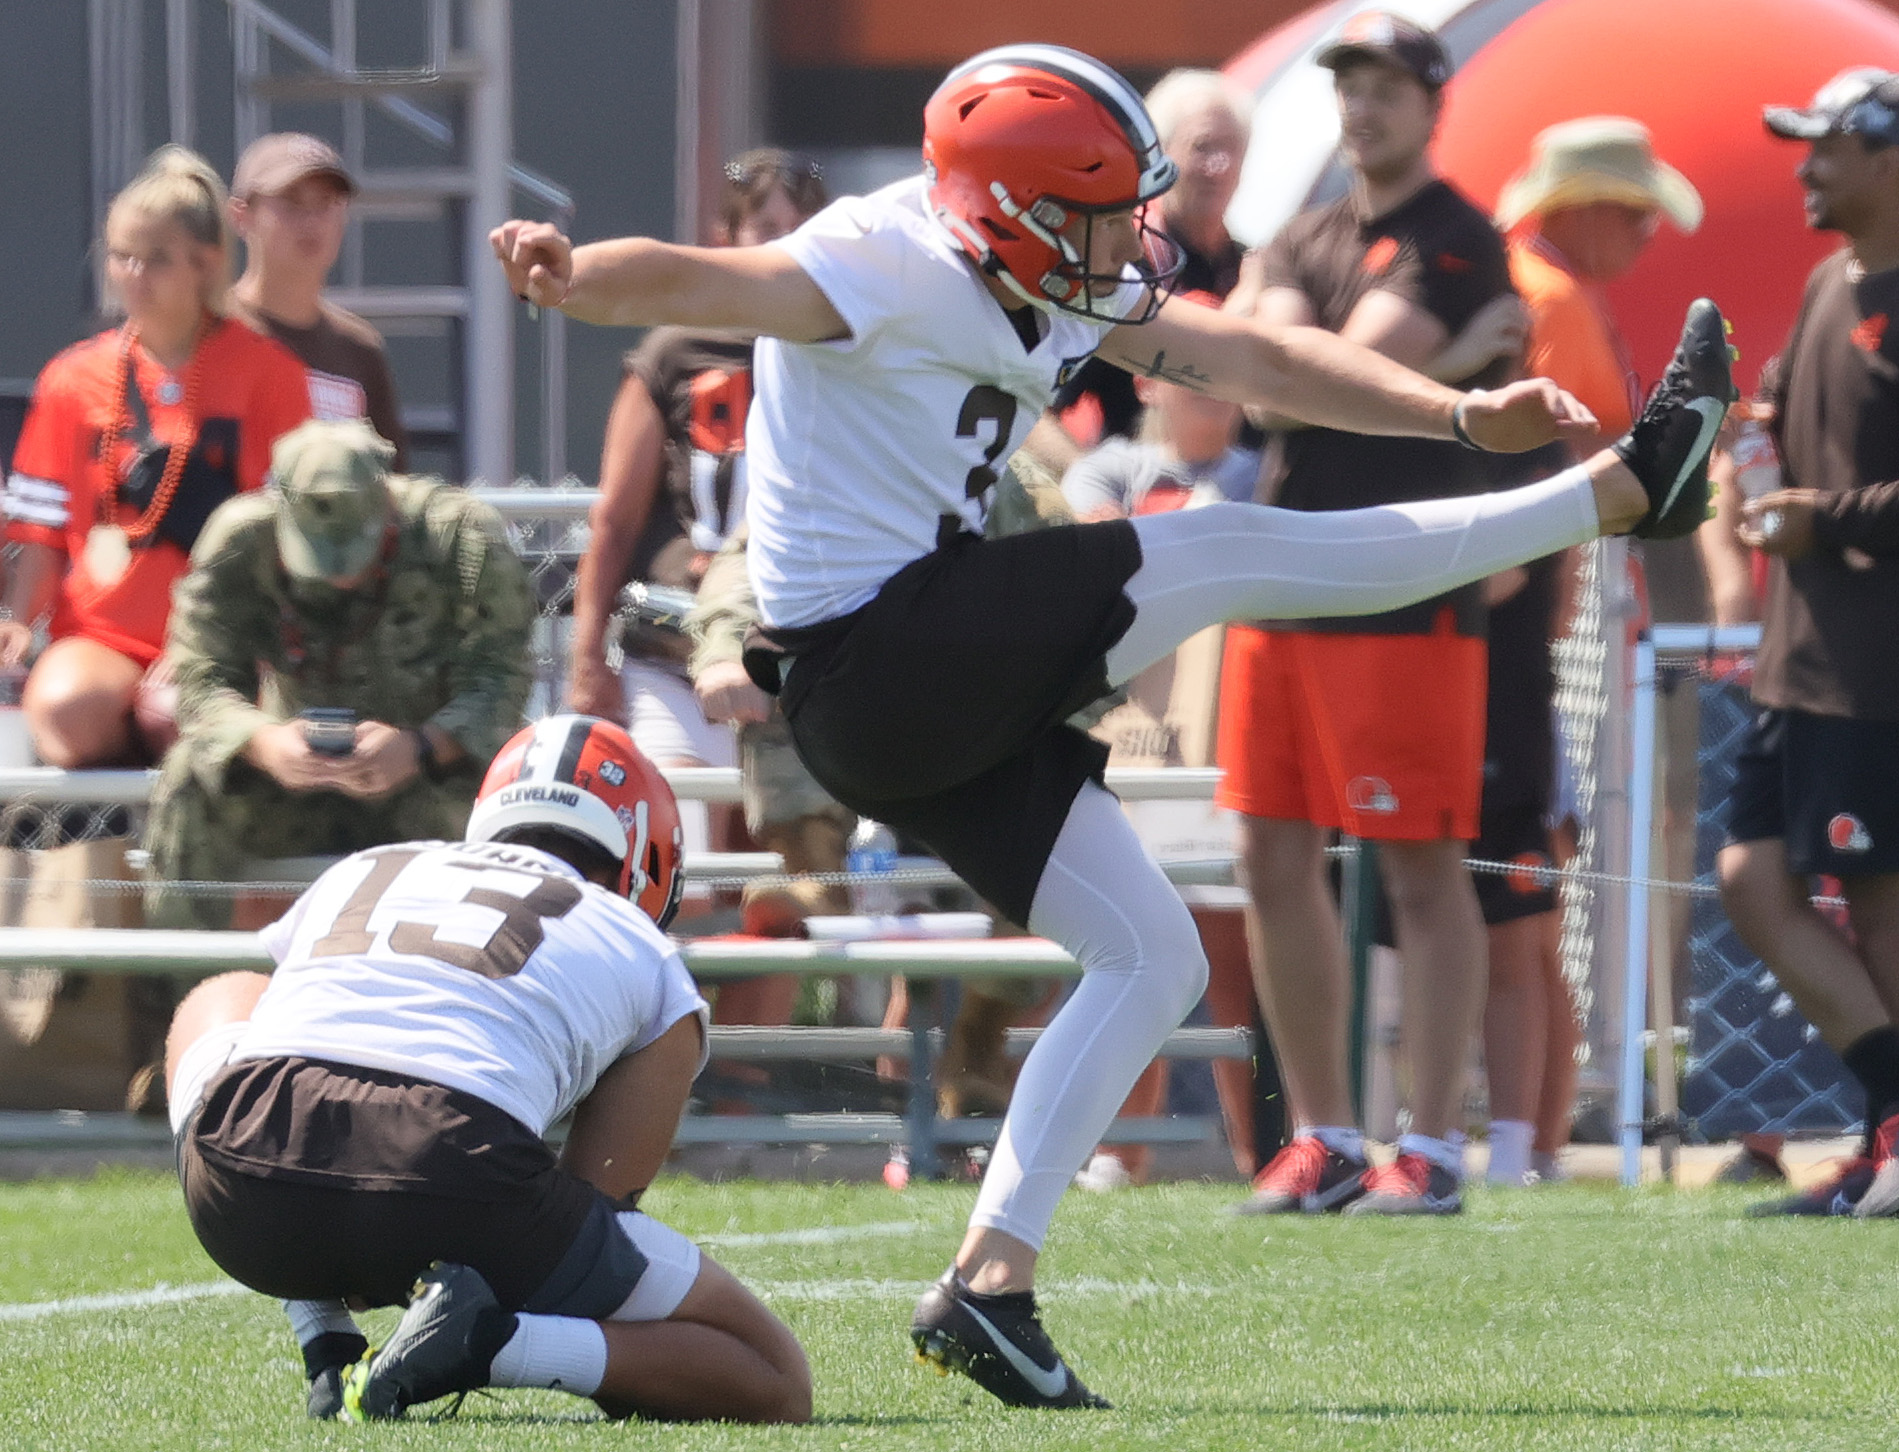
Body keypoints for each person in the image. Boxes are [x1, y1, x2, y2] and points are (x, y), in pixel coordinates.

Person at [493, 39, 1730, 1408]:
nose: (1124, 239)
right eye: (1092, 212)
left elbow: (1250, 351)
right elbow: (713, 280)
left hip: (907, 691)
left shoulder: (1047, 268)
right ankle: (1617, 493)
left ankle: (990, 1285)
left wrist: (1452, 411)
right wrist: (578, 271)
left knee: (1149, 958)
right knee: (1204, 550)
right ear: (1003, 212)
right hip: (877, 657)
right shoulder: (881, 255)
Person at [165, 713, 811, 1423]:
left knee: (223, 994)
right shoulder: (636, 942)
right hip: (451, 1175)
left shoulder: (366, 867)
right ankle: (493, 1344)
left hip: (244, 1191)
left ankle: (324, 1338)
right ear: (643, 853)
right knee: (772, 1375)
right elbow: (599, 1198)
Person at [1218, 14, 1527, 1218]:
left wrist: (1308, 363)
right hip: (1288, 568)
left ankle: (1434, 1145)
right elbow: (1268, 381)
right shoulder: (1303, 229)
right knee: (1270, 853)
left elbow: (1323, 383)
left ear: (1432, 100)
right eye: (1348, 83)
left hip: (1405, 576)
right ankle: (1327, 1136)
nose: (1363, 105)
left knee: (1416, 860)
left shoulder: (1458, 239)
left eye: (1388, 85)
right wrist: (1431, 371)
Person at [1483, 116, 1703, 1185]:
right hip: (1547, 639)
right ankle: (1528, 1139)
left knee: (1535, 893)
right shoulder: (1556, 297)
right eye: (1637, 210)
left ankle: (1527, 1136)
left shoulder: (1540, 286)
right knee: (1534, 889)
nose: (1651, 234)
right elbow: (1581, 464)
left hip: (1549, 630)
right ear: (1583, 208)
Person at [1716, 68, 1899, 1219]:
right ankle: (1891, 1116)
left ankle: (1889, 1139)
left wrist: (1818, 518)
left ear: (1890, 157)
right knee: (1750, 880)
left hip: (1874, 669)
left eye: (1826, 147)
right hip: (1800, 659)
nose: (1803, 167)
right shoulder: (1830, 282)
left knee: (1877, 901)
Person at [143, 418, 536, 932]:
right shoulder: (240, 541)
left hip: (429, 781)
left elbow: (501, 675)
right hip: (292, 781)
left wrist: (419, 747)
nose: (341, 573)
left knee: (514, 799)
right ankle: (182, 994)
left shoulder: (458, 537)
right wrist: (263, 743)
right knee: (187, 783)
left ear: (386, 502)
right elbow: (202, 676)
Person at [0, 145, 310, 767]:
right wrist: (15, 620)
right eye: (122, 257)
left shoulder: (269, 375)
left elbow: (290, 539)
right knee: (64, 712)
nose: (134, 275)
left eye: (157, 260)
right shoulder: (71, 378)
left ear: (207, 263)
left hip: (226, 633)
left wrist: (241, 645)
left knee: (178, 713)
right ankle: (121, 814)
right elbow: (43, 532)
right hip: (101, 634)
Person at [1048, 68, 1254, 456]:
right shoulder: (1119, 267)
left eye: (1232, 150)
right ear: (1160, 156)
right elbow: (1041, 408)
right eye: (1203, 147)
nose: (1218, 166)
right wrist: (1085, 491)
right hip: (1139, 498)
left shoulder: (1254, 269)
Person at [228, 132, 410, 468]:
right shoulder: (210, 331)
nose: (311, 221)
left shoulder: (359, 348)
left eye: (326, 203)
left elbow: (391, 487)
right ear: (242, 216)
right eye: (291, 202)